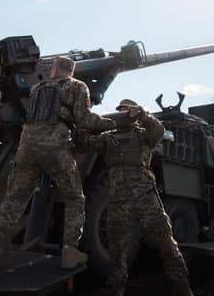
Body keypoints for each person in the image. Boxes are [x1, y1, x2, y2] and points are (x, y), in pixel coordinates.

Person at [0, 56, 117, 272]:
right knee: (75, 198)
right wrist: (113, 123)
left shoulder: (37, 88)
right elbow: (84, 119)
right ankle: (70, 252)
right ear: (71, 70)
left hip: (27, 147)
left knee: (14, 200)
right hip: (55, 147)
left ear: (54, 69)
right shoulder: (77, 86)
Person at [85, 99, 192, 296]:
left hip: (145, 196)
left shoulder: (144, 135)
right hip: (118, 199)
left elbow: (158, 129)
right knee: (117, 247)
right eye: (120, 111)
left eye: (127, 110)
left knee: (165, 240)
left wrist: (142, 113)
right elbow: (86, 142)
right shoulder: (108, 138)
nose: (123, 114)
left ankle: (181, 286)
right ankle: (116, 288)